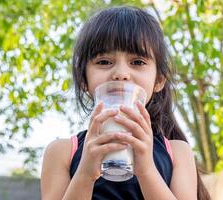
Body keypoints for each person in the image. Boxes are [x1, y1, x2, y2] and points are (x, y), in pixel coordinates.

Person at [41, 6, 211, 200]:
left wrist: (146, 170)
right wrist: (85, 174)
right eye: (104, 62)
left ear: (159, 80)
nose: (121, 74)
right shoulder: (62, 152)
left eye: (137, 62)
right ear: (83, 80)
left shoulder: (178, 153)